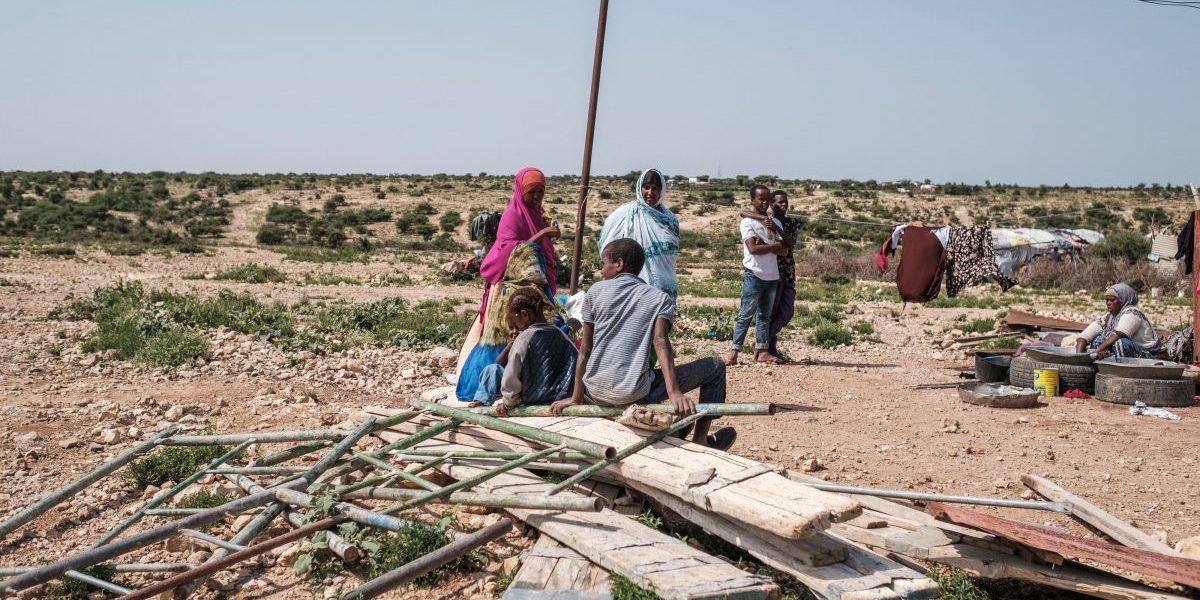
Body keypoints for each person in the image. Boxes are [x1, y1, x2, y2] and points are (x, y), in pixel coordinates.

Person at [551, 238, 736, 450]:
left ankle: (676, 429)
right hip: (631, 393)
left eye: (604, 263)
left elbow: (585, 349)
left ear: (619, 264)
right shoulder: (659, 298)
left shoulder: (595, 292)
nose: (602, 270)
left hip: (594, 391)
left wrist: (576, 398)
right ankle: (701, 440)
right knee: (715, 366)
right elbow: (660, 341)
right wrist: (674, 393)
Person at [455, 167, 560, 400]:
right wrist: (543, 233)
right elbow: (509, 251)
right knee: (506, 336)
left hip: (533, 289)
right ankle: (493, 385)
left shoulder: (536, 214)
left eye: (541, 192)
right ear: (521, 191)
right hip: (510, 291)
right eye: (532, 192)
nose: (537, 197)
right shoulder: (513, 216)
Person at [473, 287, 578, 417]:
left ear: (524, 314)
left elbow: (511, 378)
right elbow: (576, 362)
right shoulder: (560, 334)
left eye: (515, 321)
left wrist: (509, 403)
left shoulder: (524, 338)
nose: (516, 327)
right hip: (559, 400)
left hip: (531, 400)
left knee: (497, 372)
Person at [725, 185, 784, 365]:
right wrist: (773, 246)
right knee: (745, 315)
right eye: (761, 199)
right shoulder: (748, 222)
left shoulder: (774, 223)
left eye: (767, 199)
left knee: (764, 316)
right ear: (752, 200)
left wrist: (765, 245)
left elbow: (783, 250)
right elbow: (753, 249)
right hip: (754, 273)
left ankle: (763, 351)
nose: (765, 202)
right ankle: (734, 353)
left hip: (772, 275)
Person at [597, 168, 679, 297]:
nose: (650, 192)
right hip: (630, 288)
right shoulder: (624, 215)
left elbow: (670, 257)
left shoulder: (670, 220)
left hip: (663, 289)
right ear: (640, 188)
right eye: (646, 187)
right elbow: (608, 247)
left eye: (655, 188)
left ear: (662, 191)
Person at [1074, 283, 1162, 359]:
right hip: (1120, 351)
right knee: (1097, 340)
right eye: (1107, 300)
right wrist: (1079, 358)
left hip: (1147, 353)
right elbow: (1086, 335)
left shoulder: (1132, 312)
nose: (1108, 303)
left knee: (1121, 343)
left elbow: (1118, 334)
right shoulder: (1109, 317)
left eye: (1112, 300)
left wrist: (1094, 354)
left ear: (1123, 299)